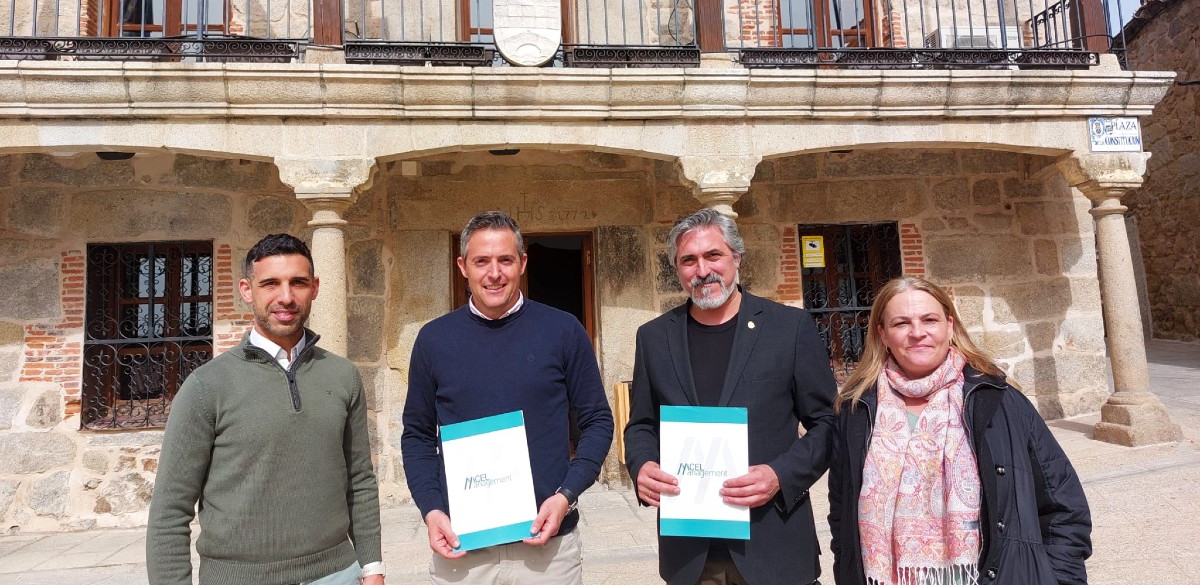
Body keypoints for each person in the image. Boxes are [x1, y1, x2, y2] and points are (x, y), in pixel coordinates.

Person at [147, 234, 385, 585]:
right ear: (247, 290)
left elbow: (360, 480)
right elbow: (170, 511)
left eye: (298, 283)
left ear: (315, 288)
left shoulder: (342, 375)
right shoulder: (206, 386)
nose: (285, 297)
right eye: (270, 283)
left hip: (338, 575)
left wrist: (372, 568)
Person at [827, 276, 1092, 585]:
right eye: (901, 323)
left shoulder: (1001, 402)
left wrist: (1059, 578)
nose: (917, 332)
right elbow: (842, 517)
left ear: (949, 326)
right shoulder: (856, 412)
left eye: (929, 320)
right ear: (883, 334)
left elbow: (1063, 506)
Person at [624, 208, 837, 585]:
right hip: (691, 555)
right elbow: (641, 424)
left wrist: (779, 475)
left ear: (737, 257)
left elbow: (827, 423)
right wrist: (642, 465)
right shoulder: (654, 338)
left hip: (773, 544)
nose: (702, 270)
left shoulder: (789, 328)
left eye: (713, 255)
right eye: (688, 260)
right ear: (677, 268)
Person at [401, 210, 614, 585]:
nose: (494, 273)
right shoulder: (434, 340)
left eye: (505, 260)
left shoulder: (563, 330)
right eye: (481, 261)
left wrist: (566, 494)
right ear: (463, 267)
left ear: (523, 263)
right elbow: (417, 435)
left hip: (548, 551)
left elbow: (597, 421)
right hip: (463, 551)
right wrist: (431, 509)